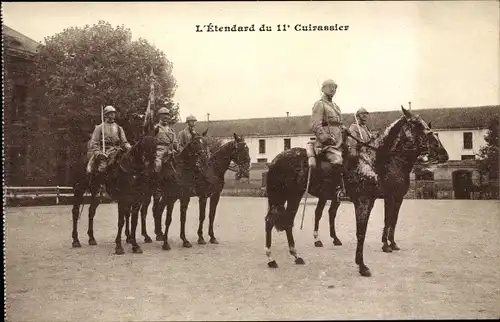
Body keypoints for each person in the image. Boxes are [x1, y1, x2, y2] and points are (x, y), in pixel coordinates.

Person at [310, 79, 345, 197]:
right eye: (330, 86)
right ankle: (336, 189)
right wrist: (325, 138)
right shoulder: (320, 105)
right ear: (323, 88)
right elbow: (315, 125)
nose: (333, 89)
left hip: (339, 141)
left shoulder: (336, 106)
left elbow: (339, 124)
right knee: (337, 160)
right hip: (327, 144)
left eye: (335, 87)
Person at [86, 105, 132, 174]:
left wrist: (129, 147)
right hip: (104, 151)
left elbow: (124, 142)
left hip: (117, 150)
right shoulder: (99, 127)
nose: (113, 114)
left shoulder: (119, 128)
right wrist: (98, 153)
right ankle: (101, 182)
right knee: (102, 167)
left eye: (113, 113)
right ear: (106, 115)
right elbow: (94, 143)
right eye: (110, 113)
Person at [154, 107, 179, 173]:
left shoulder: (171, 130)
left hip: (171, 150)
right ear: (159, 116)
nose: (165, 116)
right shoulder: (155, 128)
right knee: (158, 164)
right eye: (163, 114)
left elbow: (175, 142)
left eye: (167, 115)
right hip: (159, 151)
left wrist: (178, 149)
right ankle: (155, 180)